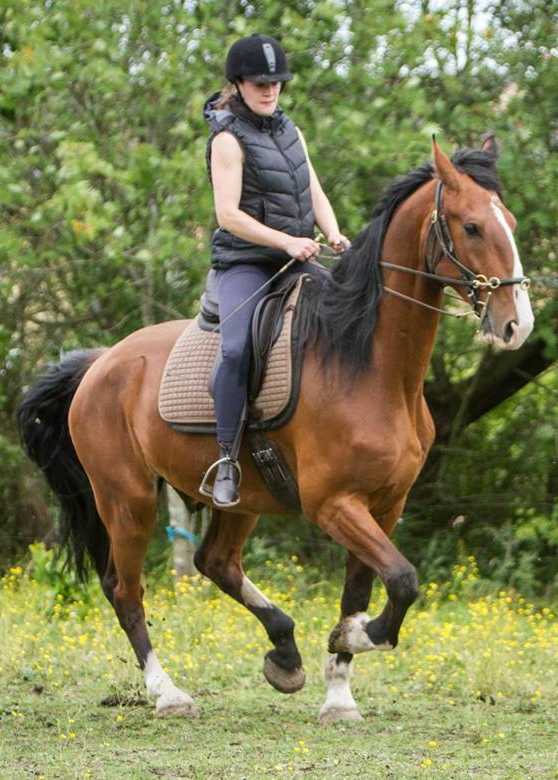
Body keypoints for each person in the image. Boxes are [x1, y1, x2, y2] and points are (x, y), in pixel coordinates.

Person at [203, 33, 350, 508]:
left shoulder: (290, 129)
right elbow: (229, 215)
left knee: (353, 317)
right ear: (239, 84)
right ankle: (226, 458)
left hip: (298, 257)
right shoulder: (226, 139)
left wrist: (333, 231)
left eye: (276, 84)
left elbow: (313, 187)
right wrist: (287, 240)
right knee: (236, 349)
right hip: (245, 263)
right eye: (260, 84)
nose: (270, 91)